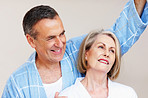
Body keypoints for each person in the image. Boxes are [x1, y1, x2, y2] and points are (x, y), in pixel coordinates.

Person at [2, 0, 147, 98]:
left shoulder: (75, 50)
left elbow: (117, 37)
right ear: (31, 41)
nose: (60, 44)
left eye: (62, 34)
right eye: (51, 38)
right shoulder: (18, 84)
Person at [59, 29, 138, 98]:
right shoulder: (67, 95)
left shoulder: (127, 94)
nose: (107, 54)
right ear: (86, 54)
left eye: (112, 51)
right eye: (101, 47)